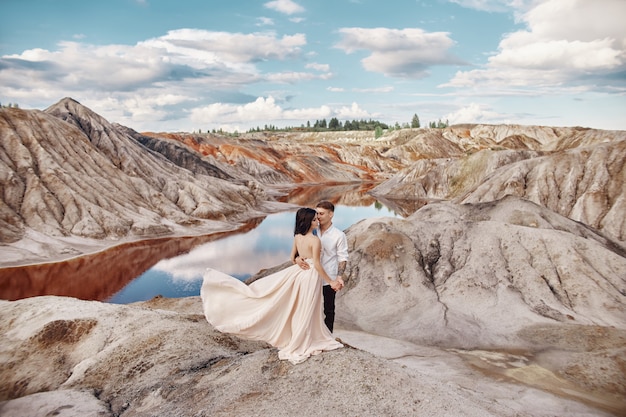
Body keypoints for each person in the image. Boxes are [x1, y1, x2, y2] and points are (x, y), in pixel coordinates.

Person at [200, 207, 343, 365]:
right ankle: (303, 339)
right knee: (307, 308)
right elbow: (316, 264)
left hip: (300, 273)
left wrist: (297, 260)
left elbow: (291, 256)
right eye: (315, 219)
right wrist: (330, 281)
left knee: (301, 307)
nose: (317, 221)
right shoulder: (314, 240)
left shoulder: (297, 237)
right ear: (308, 221)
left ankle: (300, 336)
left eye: (317, 218)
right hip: (310, 276)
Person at [294, 200, 348, 333]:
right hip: (309, 276)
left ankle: (328, 336)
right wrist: (297, 259)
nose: (318, 216)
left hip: (328, 277)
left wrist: (339, 277)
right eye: (317, 213)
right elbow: (297, 251)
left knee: (329, 309)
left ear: (331, 214)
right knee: (308, 307)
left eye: (321, 214)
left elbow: (342, 257)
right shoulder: (311, 229)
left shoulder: (339, 235)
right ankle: (310, 335)